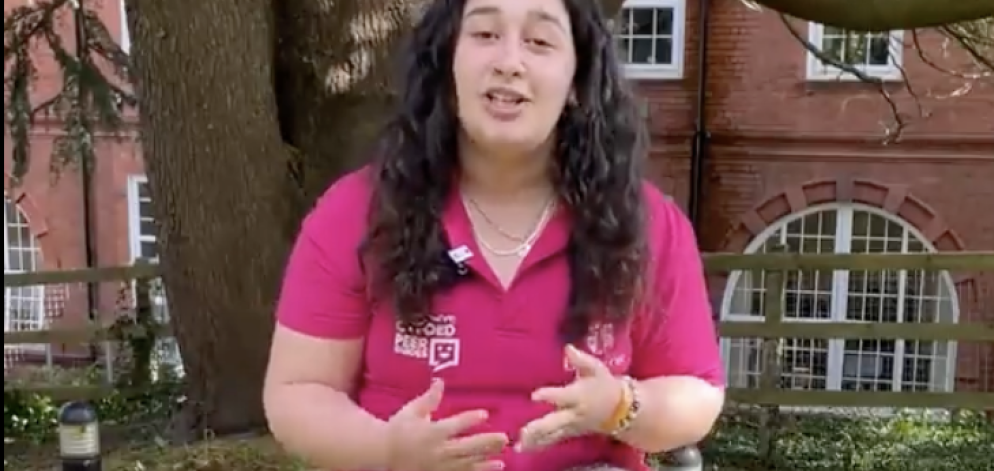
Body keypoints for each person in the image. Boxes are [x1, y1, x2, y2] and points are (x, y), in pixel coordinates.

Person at [262, 0, 725, 469]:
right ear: (447, 64)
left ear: (577, 83)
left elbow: (696, 393)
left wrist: (621, 408)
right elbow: (299, 392)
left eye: (539, 42)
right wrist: (387, 452)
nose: (509, 62)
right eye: (485, 35)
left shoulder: (646, 224)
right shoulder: (356, 212)